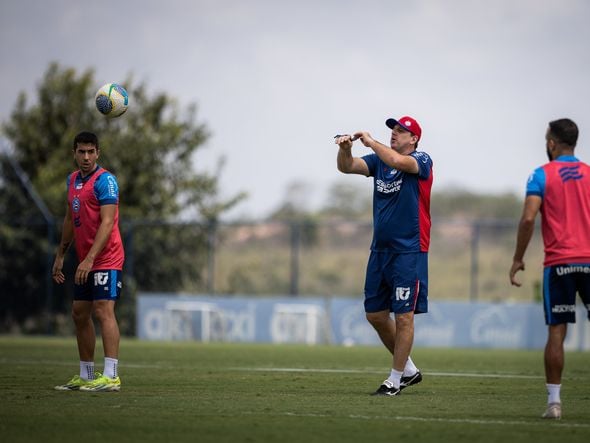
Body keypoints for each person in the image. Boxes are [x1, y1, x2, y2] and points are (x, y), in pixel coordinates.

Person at [335, 115, 433, 396]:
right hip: (379, 250)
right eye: (393, 130)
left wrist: (372, 141)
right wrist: (345, 149)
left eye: (402, 131)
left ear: (414, 139)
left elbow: (399, 162)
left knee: (404, 317)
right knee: (375, 315)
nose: (395, 134)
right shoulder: (380, 161)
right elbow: (347, 167)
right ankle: (410, 370)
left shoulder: (422, 160)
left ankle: (394, 380)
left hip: (409, 251)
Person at [510, 118, 590, 419]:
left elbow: (529, 219)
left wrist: (518, 258)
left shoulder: (540, 175)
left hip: (559, 264)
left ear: (552, 143)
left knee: (557, 332)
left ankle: (554, 404)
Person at [52, 131, 124, 392]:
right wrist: (61, 254)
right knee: (79, 313)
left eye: (90, 151)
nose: (86, 156)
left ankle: (111, 376)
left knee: (103, 310)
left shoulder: (106, 181)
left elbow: (107, 222)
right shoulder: (72, 181)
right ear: (74, 153)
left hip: (106, 256)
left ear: (98, 153)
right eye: (81, 151)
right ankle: (86, 375)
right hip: (85, 259)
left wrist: (91, 259)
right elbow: (70, 220)